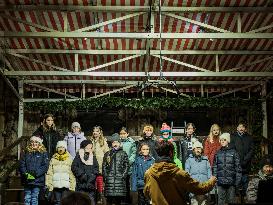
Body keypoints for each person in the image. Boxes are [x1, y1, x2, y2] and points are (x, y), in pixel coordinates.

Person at [144, 140, 216, 205]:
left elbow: (147, 193)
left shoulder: (149, 173)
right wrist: (211, 181)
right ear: (171, 153)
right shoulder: (180, 174)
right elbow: (199, 188)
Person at [212, 133, 242, 205]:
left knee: (231, 201)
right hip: (220, 182)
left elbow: (238, 168)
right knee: (220, 202)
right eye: (221, 140)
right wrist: (215, 179)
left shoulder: (234, 153)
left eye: (224, 140)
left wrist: (237, 182)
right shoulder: (218, 153)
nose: (222, 141)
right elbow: (215, 167)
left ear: (228, 141)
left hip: (231, 182)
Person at [19, 136, 49, 205]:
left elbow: (45, 166)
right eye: (32, 142)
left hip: (37, 180)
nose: (34, 143)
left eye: (36, 142)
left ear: (39, 144)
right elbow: (22, 165)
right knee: (27, 197)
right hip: (27, 180)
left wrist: (35, 173)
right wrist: (26, 174)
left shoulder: (43, 153)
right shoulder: (26, 153)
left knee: (34, 198)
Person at [102, 133, 129, 205]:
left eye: (117, 142)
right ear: (111, 144)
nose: (115, 144)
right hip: (109, 180)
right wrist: (106, 176)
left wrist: (123, 176)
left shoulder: (123, 153)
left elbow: (126, 165)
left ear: (120, 143)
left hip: (119, 180)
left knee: (118, 201)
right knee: (109, 201)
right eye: (114, 142)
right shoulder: (107, 154)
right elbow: (104, 166)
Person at [46, 141, 76, 205]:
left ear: (65, 148)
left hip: (66, 186)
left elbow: (72, 174)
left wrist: (72, 186)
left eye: (62, 147)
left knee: (65, 202)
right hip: (56, 185)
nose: (60, 149)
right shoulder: (53, 159)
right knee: (57, 202)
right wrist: (49, 185)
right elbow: (49, 173)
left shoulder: (69, 159)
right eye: (59, 147)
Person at [71, 140, 99, 205]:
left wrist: (92, 176)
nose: (89, 149)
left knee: (91, 201)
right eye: (87, 147)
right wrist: (82, 175)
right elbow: (74, 167)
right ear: (83, 147)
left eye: (90, 147)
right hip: (81, 184)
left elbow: (96, 168)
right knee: (80, 202)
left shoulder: (93, 157)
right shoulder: (78, 156)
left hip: (90, 184)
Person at [230, 122, 254, 197]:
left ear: (245, 129)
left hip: (246, 163)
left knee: (245, 180)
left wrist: (245, 160)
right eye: (239, 127)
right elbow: (232, 149)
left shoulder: (249, 137)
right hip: (236, 163)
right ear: (237, 128)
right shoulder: (233, 137)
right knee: (237, 180)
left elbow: (251, 150)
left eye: (243, 127)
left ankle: (244, 196)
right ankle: (237, 197)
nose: (241, 128)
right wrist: (237, 160)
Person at [185, 141, 211, 205]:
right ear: (193, 150)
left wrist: (209, 185)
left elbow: (209, 173)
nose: (197, 150)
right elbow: (187, 174)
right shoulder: (189, 160)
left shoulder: (206, 160)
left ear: (201, 150)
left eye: (199, 148)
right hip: (194, 189)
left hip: (204, 189)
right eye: (196, 148)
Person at [119, 127, 137, 203]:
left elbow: (133, 153)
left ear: (127, 134)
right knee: (120, 184)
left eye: (124, 133)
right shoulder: (118, 142)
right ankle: (121, 200)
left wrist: (129, 162)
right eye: (121, 134)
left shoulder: (131, 142)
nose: (122, 135)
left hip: (128, 166)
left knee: (127, 183)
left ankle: (128, 200)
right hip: (119, 167)